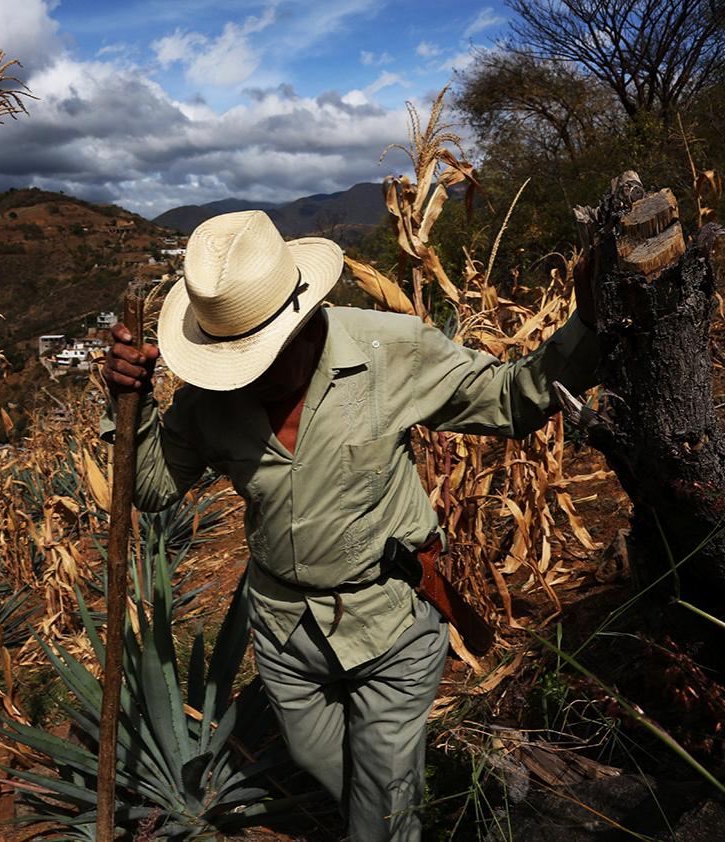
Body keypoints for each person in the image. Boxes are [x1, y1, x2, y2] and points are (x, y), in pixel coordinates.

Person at [100, 210, 599, 841]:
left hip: (388, 615)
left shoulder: (391, 352)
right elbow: (150, 487)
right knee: (322, 762)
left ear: (303, 319)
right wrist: (132, 403)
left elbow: (513, 396)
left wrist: (595, 326)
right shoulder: (208, 402)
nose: (248, 373)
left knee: (383, 802)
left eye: (260, 353)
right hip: (284, 629)